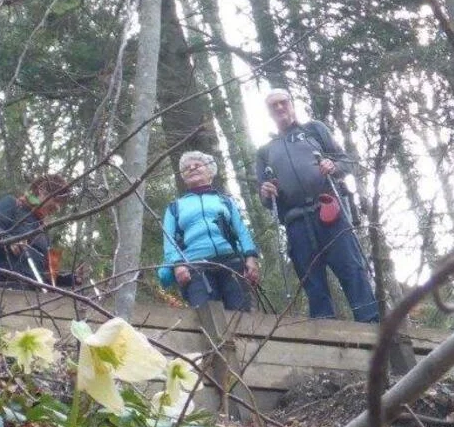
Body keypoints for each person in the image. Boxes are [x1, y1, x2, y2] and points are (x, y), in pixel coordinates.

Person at [256, 89, 379, 322]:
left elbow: (346, 162)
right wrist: (265, 192)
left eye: (283, 103)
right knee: (312, 280)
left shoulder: (314, 130)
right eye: (274, 106)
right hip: (296, 222)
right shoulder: (265, 152)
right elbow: (264, 197)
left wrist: (333, 166)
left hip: (329, 211)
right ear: (269, 113)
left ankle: (372, 324)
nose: (280, 108)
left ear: (292, 104)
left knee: (351, 268)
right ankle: (325, 333)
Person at [158, 151, 261, 311]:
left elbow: (241, 231)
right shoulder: (174, 207)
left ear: (210, 172)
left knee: (242, 317)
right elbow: (169, 240)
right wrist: (178, 265)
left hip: (232, 263)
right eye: (186, 168)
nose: (192, 168)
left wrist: (251, 257)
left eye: (197, 165)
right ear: (183, 177)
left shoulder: (226, 201)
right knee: (206, 317)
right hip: (195, 267)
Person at [0, 174, 89, 289]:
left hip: (32, 296)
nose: (58, 208)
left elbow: (47, 275)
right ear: (42, 190)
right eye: (56, 200)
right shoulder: (12, 204)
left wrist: (71, 278)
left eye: (61, 204)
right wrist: (9, 240)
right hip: (0, 286)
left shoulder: (43, 230)